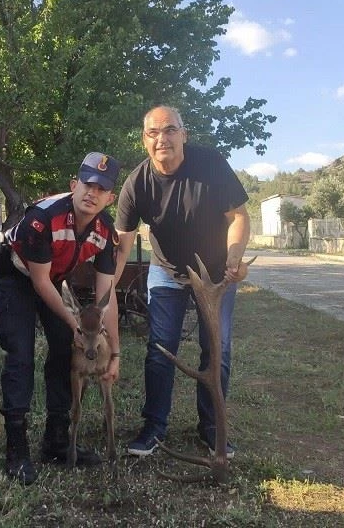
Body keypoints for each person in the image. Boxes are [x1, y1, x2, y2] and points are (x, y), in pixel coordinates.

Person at [113, 105, 250, 458]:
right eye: (153, 133)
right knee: (160, 350)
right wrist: (106, 294)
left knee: (217, 351)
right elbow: (121, 243)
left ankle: (212, 427)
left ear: (184, 134)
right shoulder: (136, 183)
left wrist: (234, 256)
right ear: (144, 140)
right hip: (167, 273)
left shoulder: (211, 165)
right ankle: (154, 427)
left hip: (217, 272)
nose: (163, 139)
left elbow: (238, 216)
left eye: (170, 130)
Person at [0, 152, 122, 485]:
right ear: (74, 185)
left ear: (110, 198)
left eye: (102, 189)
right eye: (88, 184)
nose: (93, 193)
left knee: (66, 350)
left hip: (52, 278)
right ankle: (17, 449)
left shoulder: (105, 230)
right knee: (21, 355)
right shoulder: (43, 217)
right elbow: (38, 282)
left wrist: (115, 354)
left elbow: (107, 297)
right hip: (17, 276)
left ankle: (56, 439)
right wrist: (74, 324)